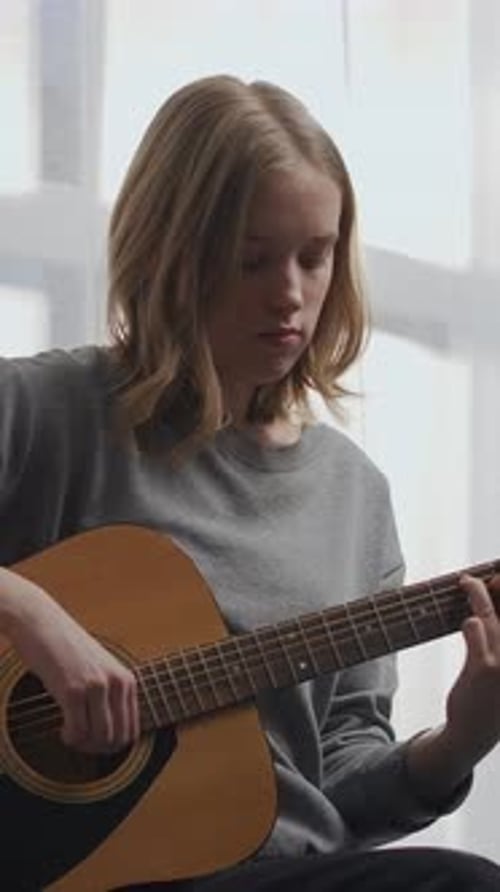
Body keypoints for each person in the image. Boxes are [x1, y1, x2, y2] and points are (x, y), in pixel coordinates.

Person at [1, 74, 500, 892]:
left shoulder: (354, 499)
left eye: (317, 254)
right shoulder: (47, 413)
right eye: (252, 260)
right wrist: (28, 611)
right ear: (170, 251)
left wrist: (458, 743)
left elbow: (335, 791)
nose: (292, 295)